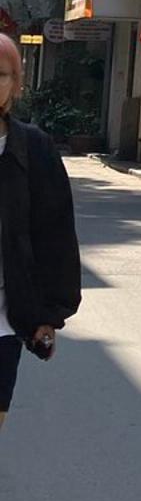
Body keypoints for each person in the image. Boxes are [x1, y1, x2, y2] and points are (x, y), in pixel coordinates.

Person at [0, 34, 81, 433]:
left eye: (0, 75)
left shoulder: (34, 148)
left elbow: (55, 237)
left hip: (4, 320)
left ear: (15, 83)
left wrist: (49, 314)